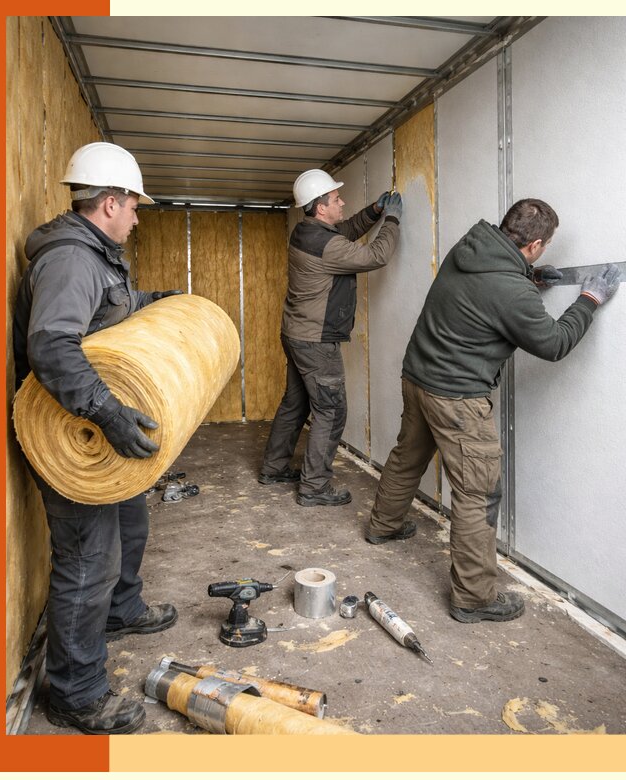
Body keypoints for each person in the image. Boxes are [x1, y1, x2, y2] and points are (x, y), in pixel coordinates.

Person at [365, 199, 621, 623]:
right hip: (458, 399)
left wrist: (530, 277)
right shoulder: (510, 290)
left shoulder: (470, 246)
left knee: (407, 456)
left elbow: (484, 297)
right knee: (478, 493)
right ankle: (474, 597)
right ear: (536, 244)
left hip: (418, 377)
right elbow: (554, 344)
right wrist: (589, 299)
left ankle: (383, 525)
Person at [13, 142, 185, 734]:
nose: (138, 217)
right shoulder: (71, 260)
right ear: (109, 202)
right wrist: (108, 413)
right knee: (88, 556)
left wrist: (157, 302)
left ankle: (123, 609)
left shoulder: (97, 255)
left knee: (130, 520)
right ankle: (76, 692)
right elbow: (53, 346)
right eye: (134, 206)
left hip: (90, 425)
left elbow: (109, 311)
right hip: (67, 431)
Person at [258, 169, 402, 506]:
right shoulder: (325, 244)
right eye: (337, 199)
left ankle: (274, 467)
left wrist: (375, 212)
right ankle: (315, 487)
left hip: (295, 332)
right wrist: (393, 220)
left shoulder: (306, 231)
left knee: (296, 403)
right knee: (331, 411)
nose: (342, 202)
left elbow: (344, 232)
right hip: (316, 342)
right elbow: (374, 256)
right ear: (321, 207)